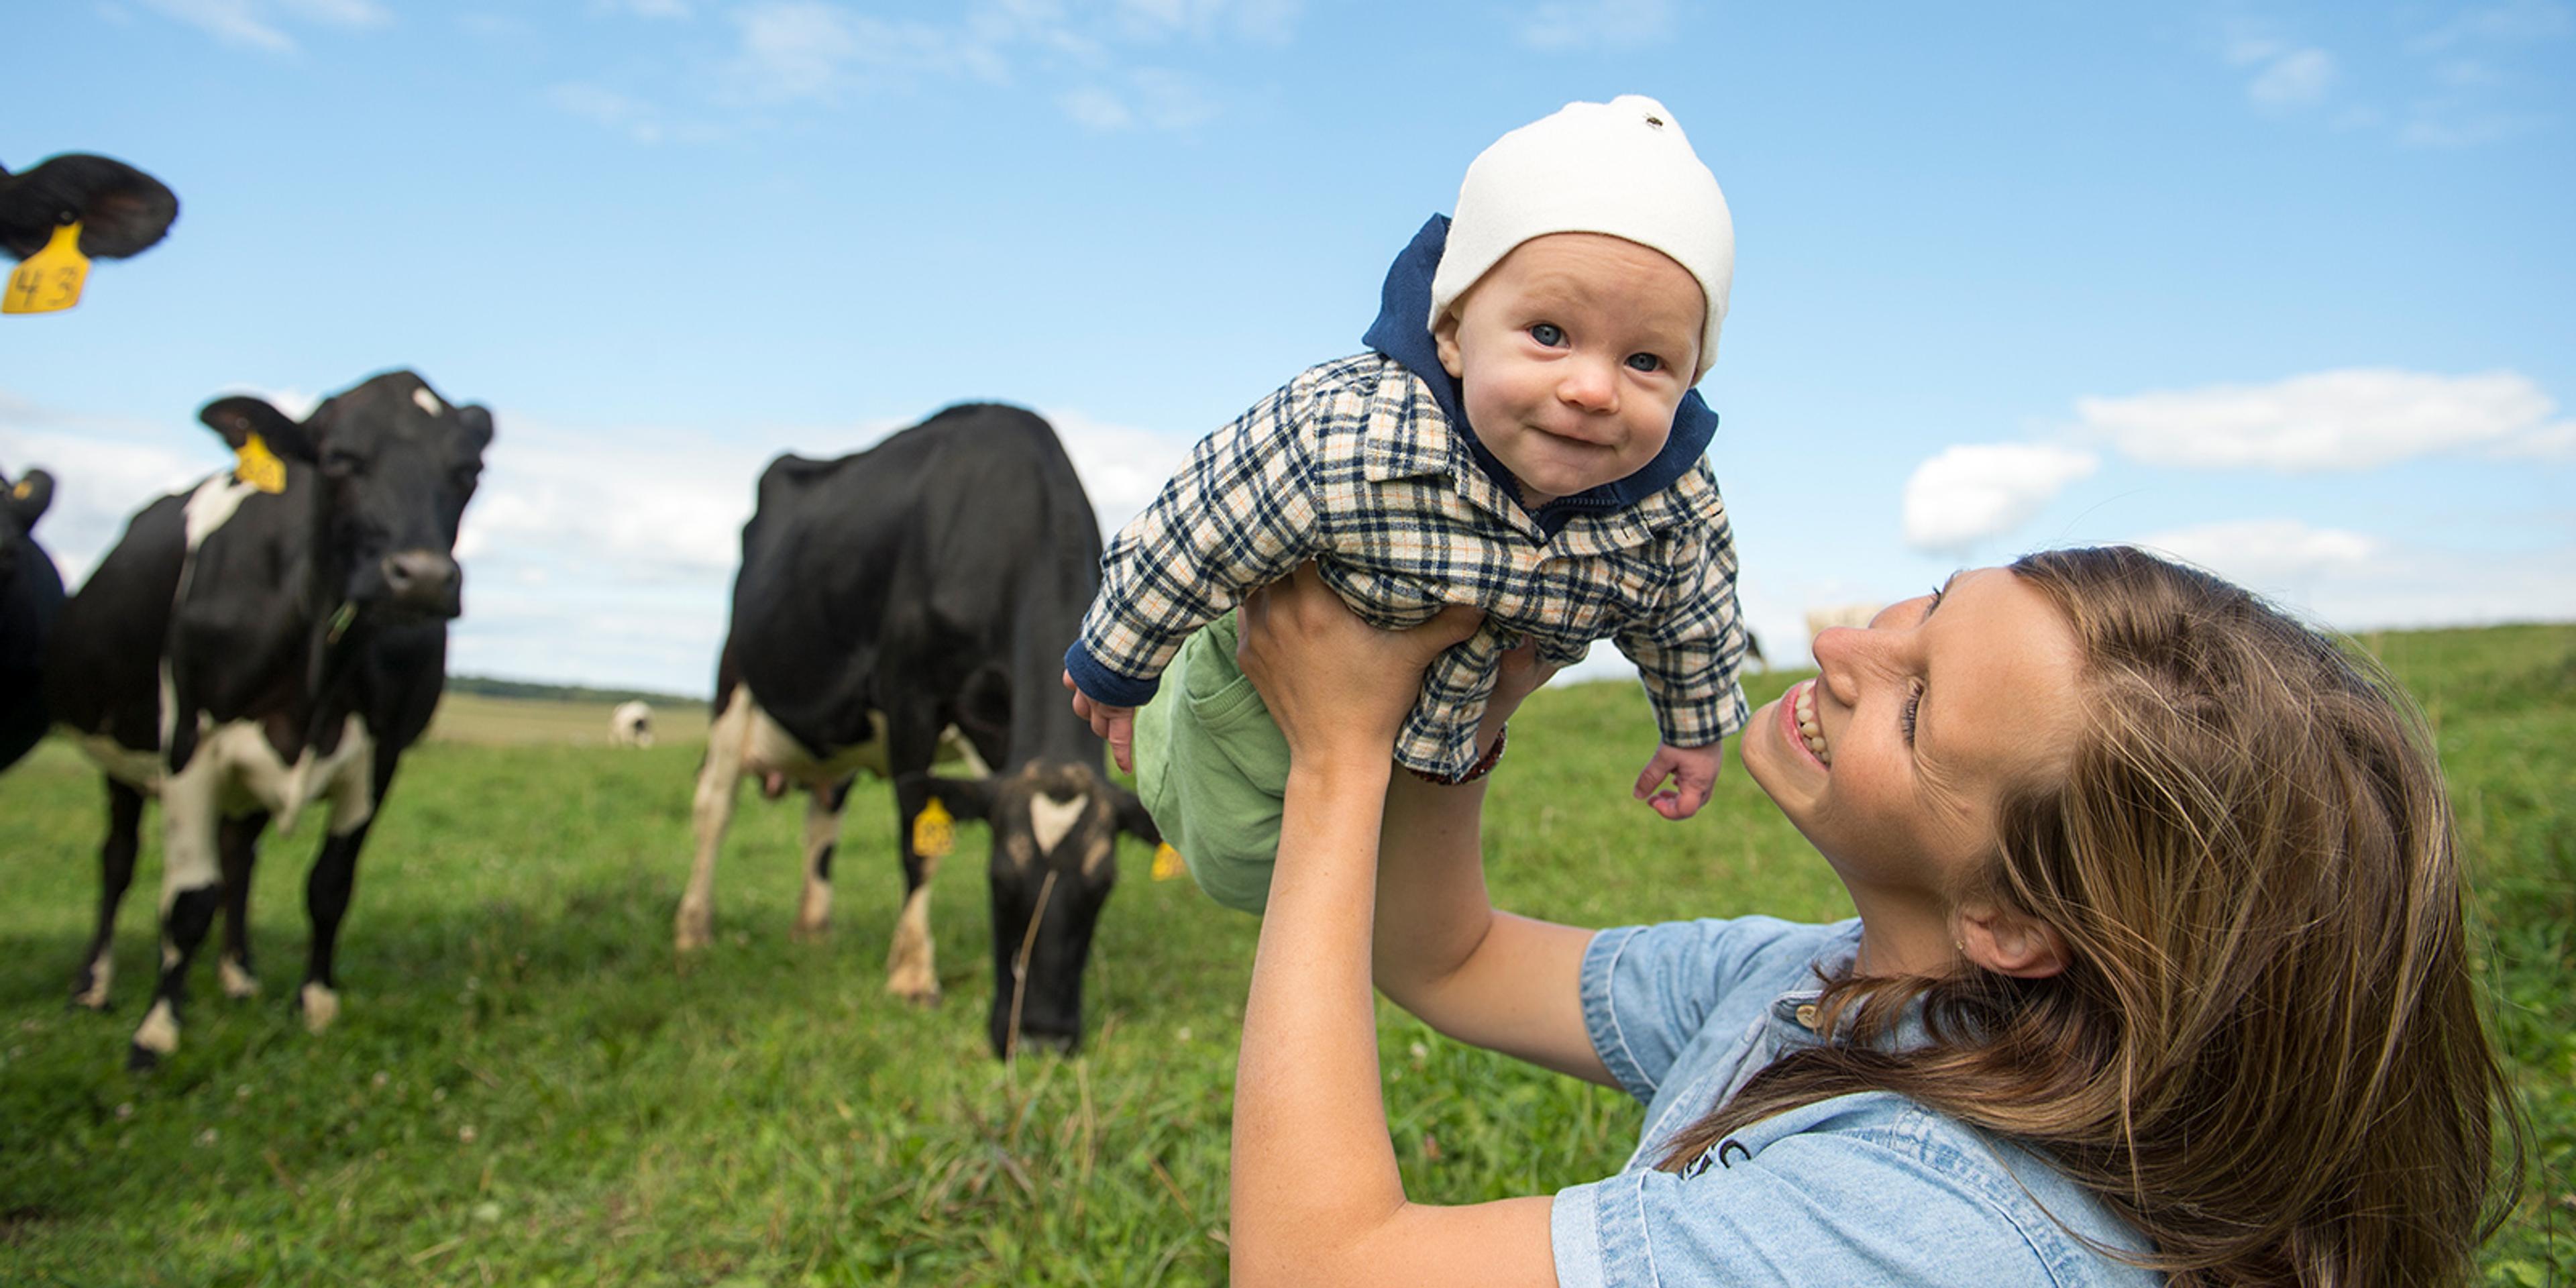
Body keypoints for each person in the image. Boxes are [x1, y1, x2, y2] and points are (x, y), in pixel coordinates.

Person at [1223, 547, 2516, 1286]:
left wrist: (1340, 762)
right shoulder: (1823, 979)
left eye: (1916, 704)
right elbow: (1448, 958)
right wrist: (1487, 693)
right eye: (1934, 607)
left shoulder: (1922, 1230)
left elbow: (1311, 1269)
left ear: (2012, 918)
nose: (1848, 649)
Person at [1062, 95, 1752, 913]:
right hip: (1256, 697)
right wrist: (1118, 655)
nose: (1593, 388)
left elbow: (1696, 613)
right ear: (1454, 330)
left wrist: (1694, 727)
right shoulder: (1354, 429)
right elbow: (1200, 520)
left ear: (1691, 379)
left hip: (1424, 748)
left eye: (1645, 359)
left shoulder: (1672, 508)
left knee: (1362, 893)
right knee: (1236, 857)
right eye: (1549, 334)